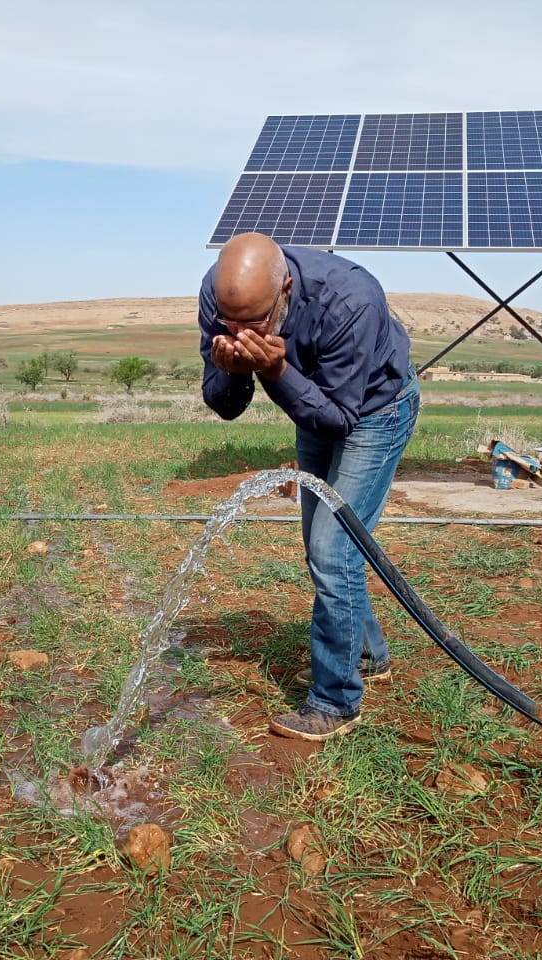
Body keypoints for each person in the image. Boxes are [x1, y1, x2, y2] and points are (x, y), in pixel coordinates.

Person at [198, 233, 419, 741]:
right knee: (322, 547)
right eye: (229, 322)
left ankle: (336, 700)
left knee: (333, 547)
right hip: (313, 405)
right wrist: (233, 373)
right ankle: (366, 655)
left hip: (374, 411)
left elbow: (339, 417)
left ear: (285, 291)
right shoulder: (221, 293)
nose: (237, 331)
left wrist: (274, 370)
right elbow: (225, 403)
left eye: (252, 324)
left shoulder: (351, 299)